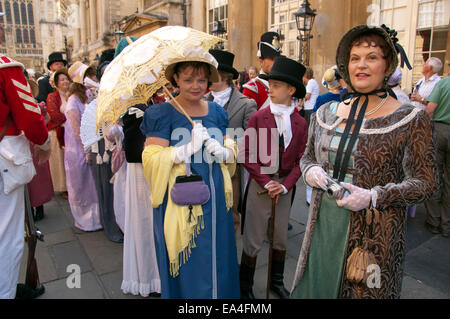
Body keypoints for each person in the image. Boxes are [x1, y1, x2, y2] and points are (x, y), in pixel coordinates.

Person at [291, 25, 439, 299]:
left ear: (387, 65)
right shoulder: (325, 112)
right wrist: (310, 171)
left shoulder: (410, 118)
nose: (362, 65)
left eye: (372, 57)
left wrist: (374, 196)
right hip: (323, 226)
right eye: (355, 57)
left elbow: (427, 183)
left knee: (367, 292)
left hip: (375, 237)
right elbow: (308, 157)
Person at [140, 47, 240, 298]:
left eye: (201, 79)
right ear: (175, 79)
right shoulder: (161, 113)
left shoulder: (217, 111)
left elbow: (230, 144)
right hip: (183, 200)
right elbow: (150, 160)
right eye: (188, 79)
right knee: (193, 263)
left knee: (220, 256)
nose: (196, 85)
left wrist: (225, 152)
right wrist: (184, 151)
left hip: (217, 198)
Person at [240, 56, 308, 299]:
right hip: (261, 187)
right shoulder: (260, 117)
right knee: (253, 239)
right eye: (271, 84)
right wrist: (265, 180)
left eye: (277, 85)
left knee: (280, 237)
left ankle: (276, 283)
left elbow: (303, 158)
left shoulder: (300, 122)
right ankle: (245, 287)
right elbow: (246, 153)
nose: (271, 89)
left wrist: (286, 185)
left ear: (291, 90)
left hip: (285, 190)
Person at [0, 18, 51, 298]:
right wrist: (44, 143)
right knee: (7, 237)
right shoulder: (6, 68)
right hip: (4, 160)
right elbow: (30, 119)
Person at [205, 49, 257, 240]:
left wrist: (229, 144)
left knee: (231, 216)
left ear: (223, 76)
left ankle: (229, 260)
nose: (206, 77)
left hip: (231, 171)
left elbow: (252, 140)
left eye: (210, 73)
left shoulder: (246, 103)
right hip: (206, 168)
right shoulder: (202, 101)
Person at [64, 82, 102, 232]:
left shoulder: (81, 99)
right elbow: (76, 129)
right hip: (78, 150)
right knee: (82, 185)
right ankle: (86, 221)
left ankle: (94, 220)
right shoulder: (73, 102)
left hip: (83, 147)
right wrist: (86, 148)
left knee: (90, 184)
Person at [424, 76, 450, 237]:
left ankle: (434, 220)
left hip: (439, 130)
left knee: (434, 175)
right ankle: (447, 225)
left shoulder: (443, 83)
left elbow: (430, 109)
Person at [46, 68, 71, 197]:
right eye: (62, 80)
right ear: (56, 83)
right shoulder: (52, 97)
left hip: (71, 131)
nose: (65, 81)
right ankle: (63, 187)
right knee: (60, 161)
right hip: (58, 132)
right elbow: (53, 114)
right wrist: (71, 118)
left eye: (66, 79)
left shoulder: (72, 95)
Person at [243, 32, 282, 110]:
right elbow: (249, 119)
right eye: (271, 59)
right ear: (261, 61)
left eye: (277, 59)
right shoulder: (252, 88)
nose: (275, 62)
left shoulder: (284, 85)